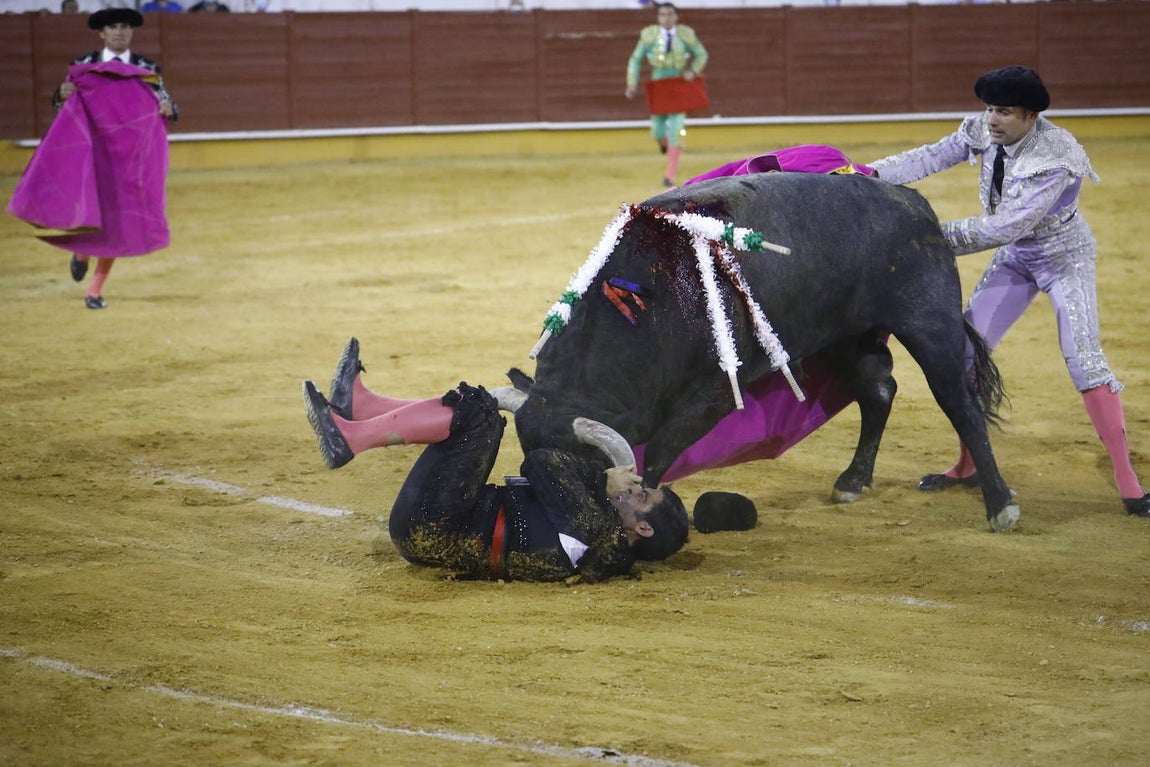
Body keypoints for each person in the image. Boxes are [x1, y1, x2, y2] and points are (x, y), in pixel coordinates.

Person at [869, 65, 1150, 518]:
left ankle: (1129, 483)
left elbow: (1007, 225)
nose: (992, 119)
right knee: (964, 354)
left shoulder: (1057, 156)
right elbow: (932, 156)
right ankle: (967, 465)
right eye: (989, 109)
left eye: (1003, 112)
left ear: (1030, 116)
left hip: (1064, 259)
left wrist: (926, 240)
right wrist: (868, 173)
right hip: (1018, 258)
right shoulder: (984, 128)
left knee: (1085, 359)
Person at [301, 338, 691, 582]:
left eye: (641, 498)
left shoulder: (597, 532)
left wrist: (601, 481)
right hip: (436, 527)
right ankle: (366, 410)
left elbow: (539, 463)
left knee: (482, 416)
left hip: (435, 526)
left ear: (643, 530)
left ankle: (351, 437)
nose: (632, 490)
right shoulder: (603, 542)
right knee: (478, 416)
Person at [6, 8, 177, 310]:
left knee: (116, 222)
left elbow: (167, 105)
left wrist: (167, 108)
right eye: (113, 27)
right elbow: (64, 107)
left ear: (131, 32)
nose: (120, 32)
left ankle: (94, 290)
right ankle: (84, 253)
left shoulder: (147, 67)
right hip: (92, 154)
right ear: (102, 33)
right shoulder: (83, 65)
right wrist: (62, 92)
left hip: (127, 160)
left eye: (125, 27)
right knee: (98, 213)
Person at [625, 2, 707, 188]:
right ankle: (664, 143)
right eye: (663, 15)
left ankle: (669, 175)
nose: (667, 18)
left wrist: (692, 71)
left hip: (679, 84)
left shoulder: (685, 34)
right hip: (659, 83)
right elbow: (635, 60)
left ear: (676, 17)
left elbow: (701, 54)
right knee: (657, 130)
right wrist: (631, 83)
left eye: (670, 14)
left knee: (677, 129)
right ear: (658, 17)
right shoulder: (649, 35)